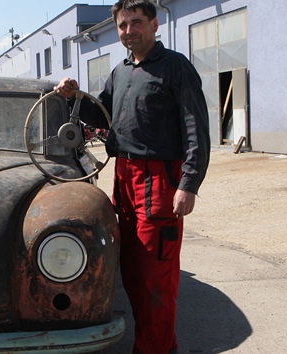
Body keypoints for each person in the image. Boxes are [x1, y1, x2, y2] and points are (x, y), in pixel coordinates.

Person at [55, 1, 210, 353]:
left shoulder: (175, 68)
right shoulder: (121, 72)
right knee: (133, 275)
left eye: (136, 23)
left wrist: (189, 184)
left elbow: (195, 128)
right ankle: (161, 346)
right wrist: (73, 95)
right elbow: (101, 113)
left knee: (157, 277)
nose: (129, 31)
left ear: (154, 24)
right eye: (123, 25)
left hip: (159, 179)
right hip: (124, 177)